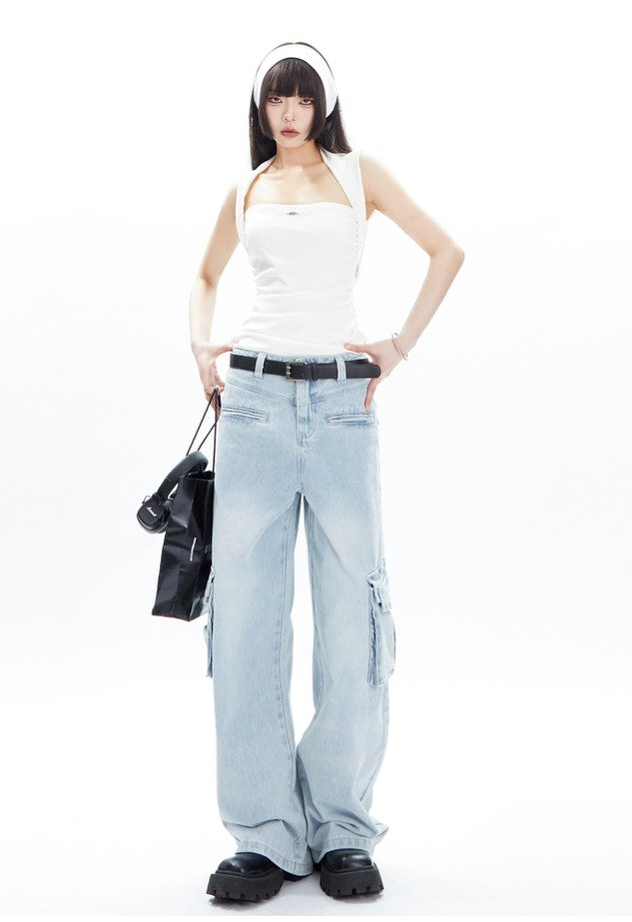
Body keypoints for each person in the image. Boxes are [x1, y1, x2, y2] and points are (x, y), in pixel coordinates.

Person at [188, 41, 464, 903]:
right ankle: (265, 835)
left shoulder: (358, 174)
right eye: (276, 98)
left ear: (324, 104)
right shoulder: (247, 189)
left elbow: (447, 251)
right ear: (260, 108)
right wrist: (200, 347)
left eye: (302, 97)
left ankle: (342, 826)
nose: (289, 112)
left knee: (352, 617)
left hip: (344, 406)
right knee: (245, 622)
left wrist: (398, 346)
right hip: (254, 406)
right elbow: (205, 275)